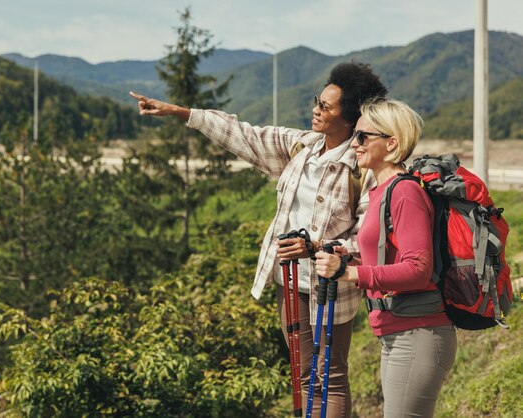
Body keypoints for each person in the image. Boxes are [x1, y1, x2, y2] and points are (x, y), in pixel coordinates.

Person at [130, 62, 387, 417]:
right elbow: (245, 135)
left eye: (326, 107)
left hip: (332, 286)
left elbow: (368, 236)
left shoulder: (363, 169)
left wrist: (320, 249)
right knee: (304, 373)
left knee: (331, 375)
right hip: (290, 279)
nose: (316, 109)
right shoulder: (302, 147)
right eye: (318, 101)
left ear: (349, 118)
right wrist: (182, 113)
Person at [314, 99, 457, 417]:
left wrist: (349, 274)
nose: (355, 143)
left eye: (363, 136)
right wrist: (350, 262)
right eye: (355, 135)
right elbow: (390, 262)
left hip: (417, 332)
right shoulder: (380, 191)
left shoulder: (405, 192)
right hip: (396, 331)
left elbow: (419, 270)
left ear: (391, 142)